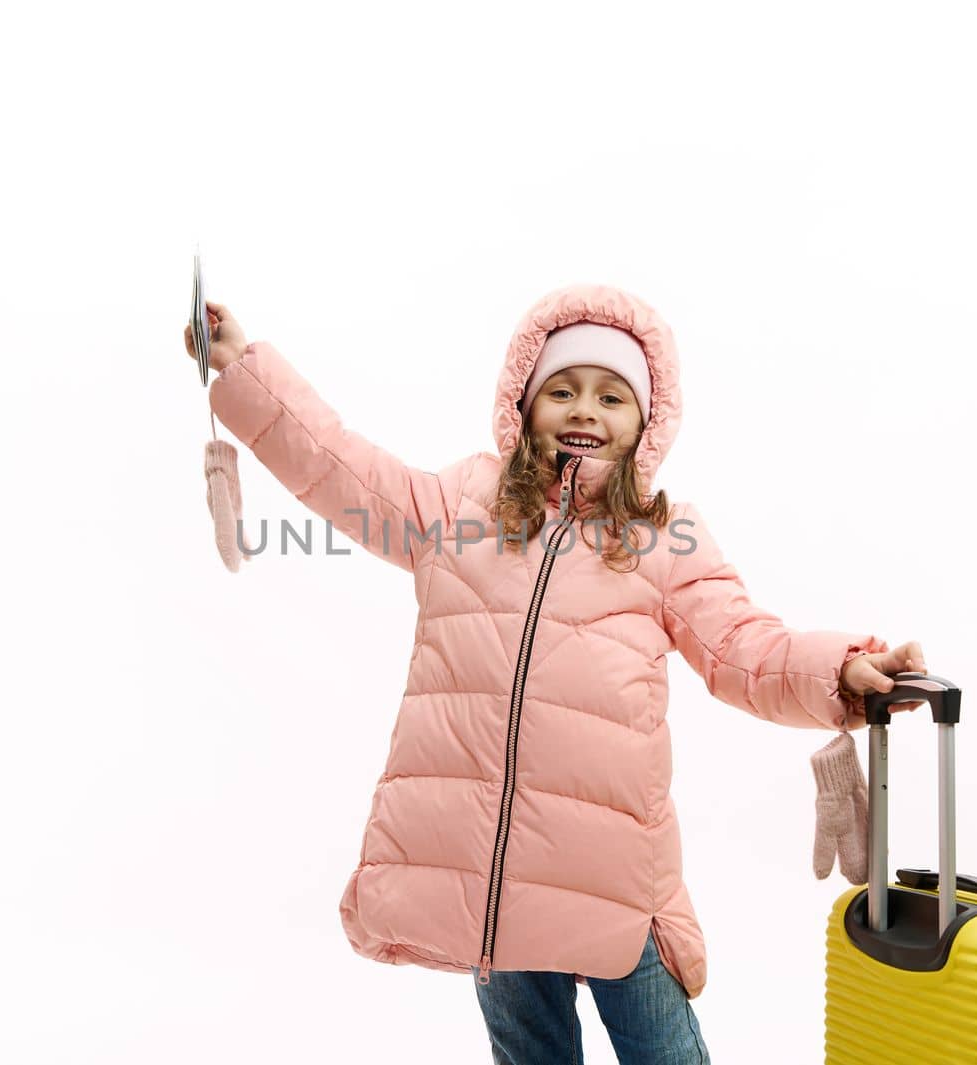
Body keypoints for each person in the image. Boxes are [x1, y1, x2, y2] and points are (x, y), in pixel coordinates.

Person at [184, 283, 927, 1065]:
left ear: (646, 423)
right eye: (562, 390)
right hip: (491, 877)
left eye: (612, 396)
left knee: (662, 1051)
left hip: (610, 875)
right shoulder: (458, 507)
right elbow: (337, 463)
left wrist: (844, 669)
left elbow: (746, 646)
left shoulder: (662, 538)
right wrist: (242, 369)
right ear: (523, 403)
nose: (584, 411)